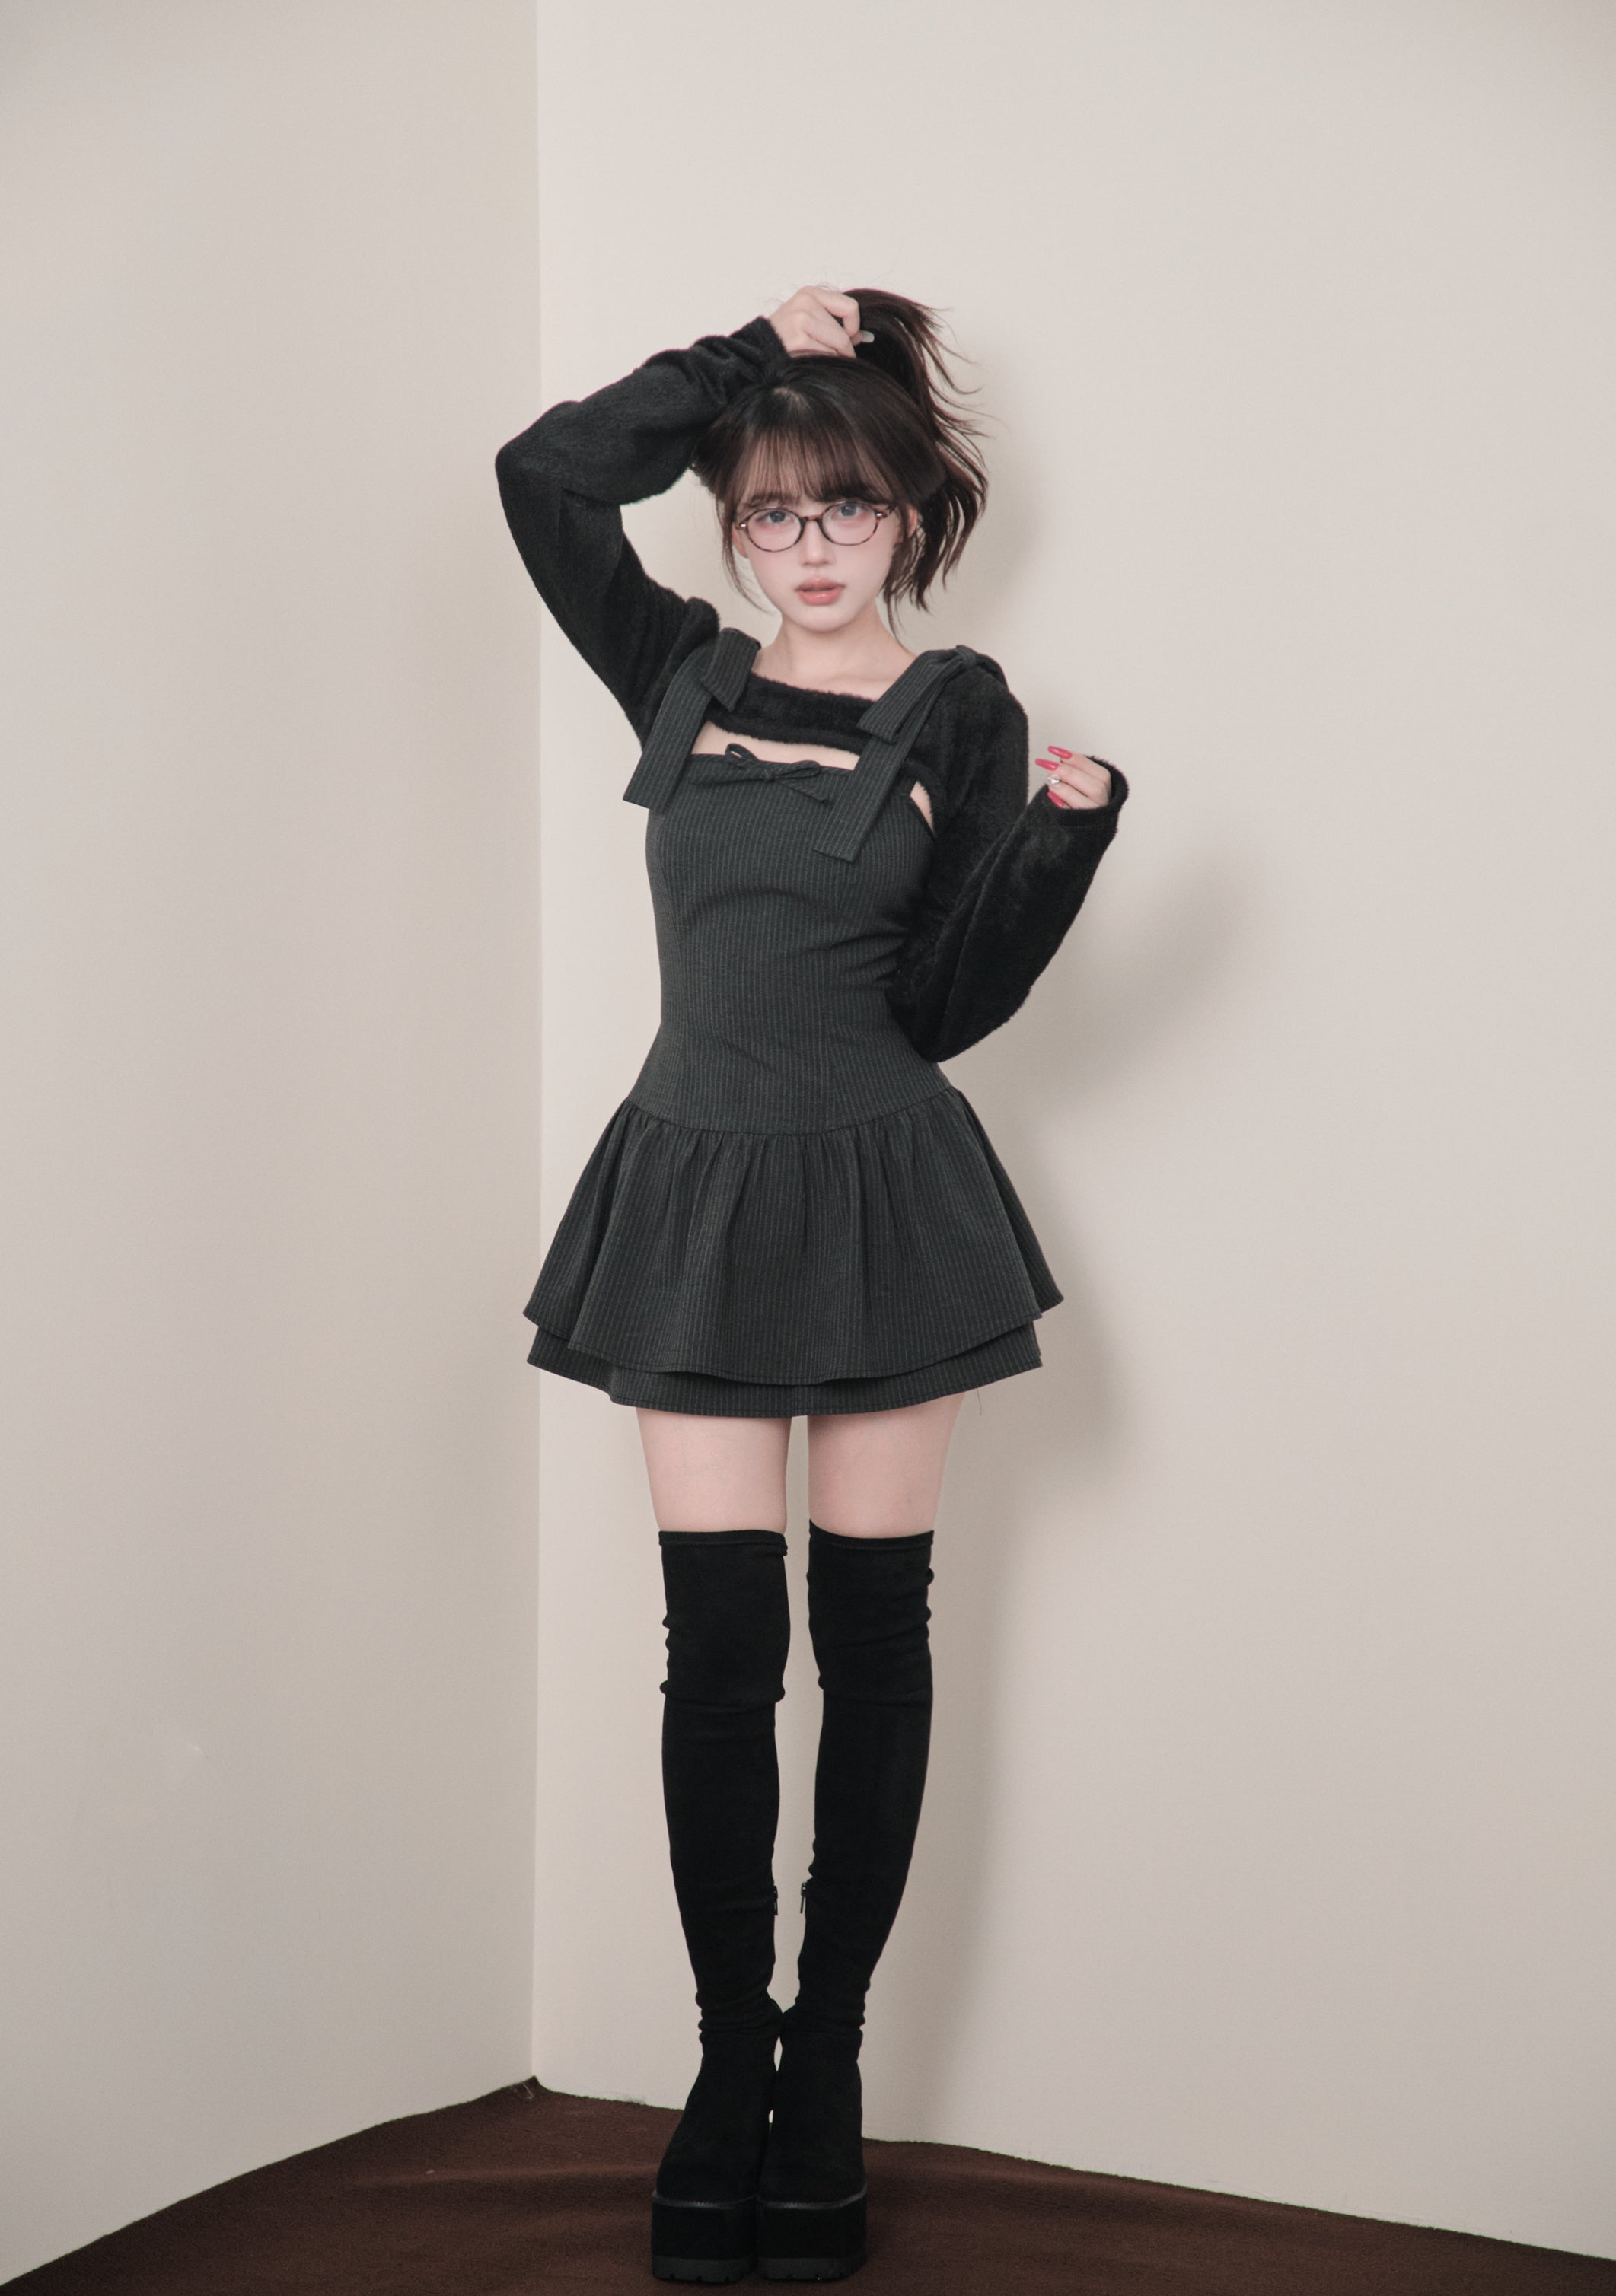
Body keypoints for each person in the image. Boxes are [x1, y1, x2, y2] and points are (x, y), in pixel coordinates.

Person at [495, 284, 1127, 2284]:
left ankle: (825, 2062)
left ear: (909, 517)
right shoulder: (676, 669)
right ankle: (725, 2069)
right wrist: (733, 355)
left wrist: (1062, 845)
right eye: (773, 511)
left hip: (876, 1195)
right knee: (718, 1654)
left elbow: (947, 1001)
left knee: (872, 1642)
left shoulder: (959, 709)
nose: (811, 545)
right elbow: (539, 477)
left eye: (846, 508)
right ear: (734, 526)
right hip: (691, 1186)